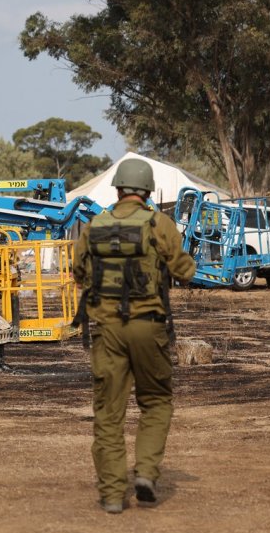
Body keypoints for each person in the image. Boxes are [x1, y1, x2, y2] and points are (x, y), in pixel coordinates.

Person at [72, 159, 196, 514]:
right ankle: (145, 474)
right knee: (156, 402)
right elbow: (184, 270)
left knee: (108, 413)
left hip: (106, 331)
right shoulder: (159, 224)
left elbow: (78, 272)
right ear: (147, 191)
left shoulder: (93, 226)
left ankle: (112, 494)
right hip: (149, 327)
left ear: (118, 189)